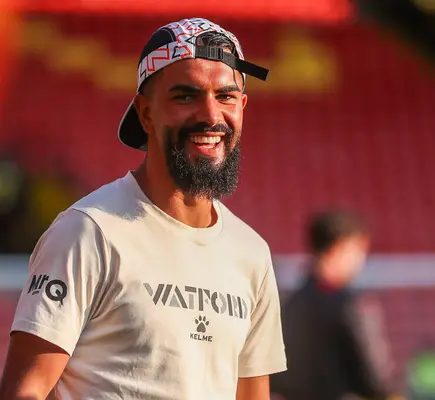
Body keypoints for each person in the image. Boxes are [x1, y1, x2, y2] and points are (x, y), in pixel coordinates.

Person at [0, 17, 286, 400]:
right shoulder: (88, 232)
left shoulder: (251, 254)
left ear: (242, 106)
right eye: (186, 96)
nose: (211, 115)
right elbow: (25, 390)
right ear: (146, 113)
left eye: (226, 96)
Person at [271, 209, 398, 400]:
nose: (361, 260)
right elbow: (375, 376)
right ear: (341, 246)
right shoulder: (351, 306)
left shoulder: (289, 306)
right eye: (359, 250)